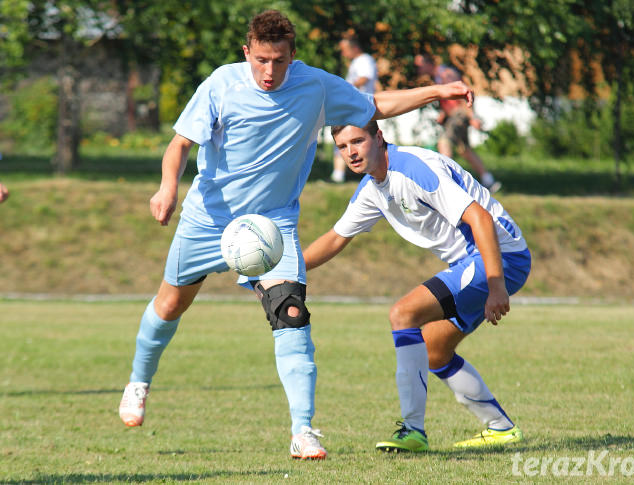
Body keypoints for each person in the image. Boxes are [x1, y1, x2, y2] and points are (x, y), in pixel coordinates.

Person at [117, 9, 476, 461]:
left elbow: (375, 106)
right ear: (247, 52)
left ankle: (303, 431)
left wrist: (438, 91)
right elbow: (181, 144)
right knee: (170, 305)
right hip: (208, 219)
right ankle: (138, 382)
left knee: (291, 313)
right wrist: (167, 186)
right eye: (261, 60)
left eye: (279, 61)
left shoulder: (316, 87)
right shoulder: (220, 85)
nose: (269, 71)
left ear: (293, 56)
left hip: (273, 224)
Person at [303, 120, 530, 452]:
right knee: (434, 351)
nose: (350, 152)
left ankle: (412, 430)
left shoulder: (414, 169)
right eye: (342, 146)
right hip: (478, 263)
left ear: (379, 137)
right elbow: (336, 238)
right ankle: (500, 428)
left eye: (357, 141)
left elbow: (480, 218)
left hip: (498, 255)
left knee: (403, 314)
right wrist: (286, 271)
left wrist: (496, 285)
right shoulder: (372, 188)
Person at [414, 54, 501, 193]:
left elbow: (463, 93)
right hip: (453, 115)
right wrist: (443, 113)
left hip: (459, 114)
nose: (417, 69)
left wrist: (473, 116)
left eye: (418, 66)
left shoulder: (445, 74)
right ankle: (489, 181)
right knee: (464, 149)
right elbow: (449, 98)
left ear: (428, 64)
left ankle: (447, 182)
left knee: (444, 142)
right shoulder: (436, 77)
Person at [330, 36, 378, 183]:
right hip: (353, 107)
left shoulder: (364, 60)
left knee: (360, 142)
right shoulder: (357, 62)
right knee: (344, 140)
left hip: (360, 107)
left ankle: (371, 174)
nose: (343, 54)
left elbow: (365, 78)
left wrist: (347, 89)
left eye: (345, 50)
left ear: (354, 48)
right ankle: (338, 175)